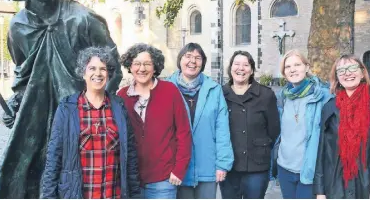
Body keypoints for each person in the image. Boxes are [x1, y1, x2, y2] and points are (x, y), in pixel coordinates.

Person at [0, 0, 122, 198]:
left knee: (78, 174)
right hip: (37, 113)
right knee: (24, 171)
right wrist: (15, 105)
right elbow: (22, 74)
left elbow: (112, 65)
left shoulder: (82, 18)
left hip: (77, 111)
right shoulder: (19, 26)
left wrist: (98, 104)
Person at [40, 47, 141, 199]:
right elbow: (54, 156)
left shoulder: (119, 107)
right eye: (92, 68)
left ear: (108, 74)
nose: (98, 73)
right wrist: (48, 196)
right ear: (83, 72)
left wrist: (135, 195)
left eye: (103, 69)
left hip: (113, 194)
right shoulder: (67, 108)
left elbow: (130, 155)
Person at [117, 43, 192, 199]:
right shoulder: (122, 96)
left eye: (147, 64)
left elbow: (184, 133)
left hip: (163, 180)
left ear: (155, 66)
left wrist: (179, 170)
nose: (141, 68)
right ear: (130, 66)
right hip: (132, 179)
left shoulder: (170, 91)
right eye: (136, 63)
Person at [164, 43, 233, 199]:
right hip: (176, 168)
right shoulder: (167, 88)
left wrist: (223, 164)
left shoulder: (214, 90)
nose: (192, 61)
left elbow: (222, 129)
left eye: (197, 58)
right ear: (180, 60)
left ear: (203, 63)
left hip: (207, 166)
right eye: (188, 56)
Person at [313, 54, 370, 199]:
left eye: (352, 68)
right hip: (336, 185)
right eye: (341, 70)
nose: (347, 73)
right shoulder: (330, 107)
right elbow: (322, 151)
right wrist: (320, 191)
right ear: (337, 77)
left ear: (362, 72)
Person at [270, 49, 331, 199]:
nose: (293, 69)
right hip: (285, 168)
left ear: (307, 67)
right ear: (284, 72)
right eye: (288, 66)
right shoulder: (282, 97)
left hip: (309, 170)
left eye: (297, 64)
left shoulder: (322, 96)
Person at [219, 51, 280, 199]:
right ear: (230, 68)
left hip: (257, 166)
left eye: (246, 65)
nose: (241, 68)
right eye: (237, 64)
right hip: (229, 167)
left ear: (252, 70)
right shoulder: (220, 93)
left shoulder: (266, 95)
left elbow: (274, 130)